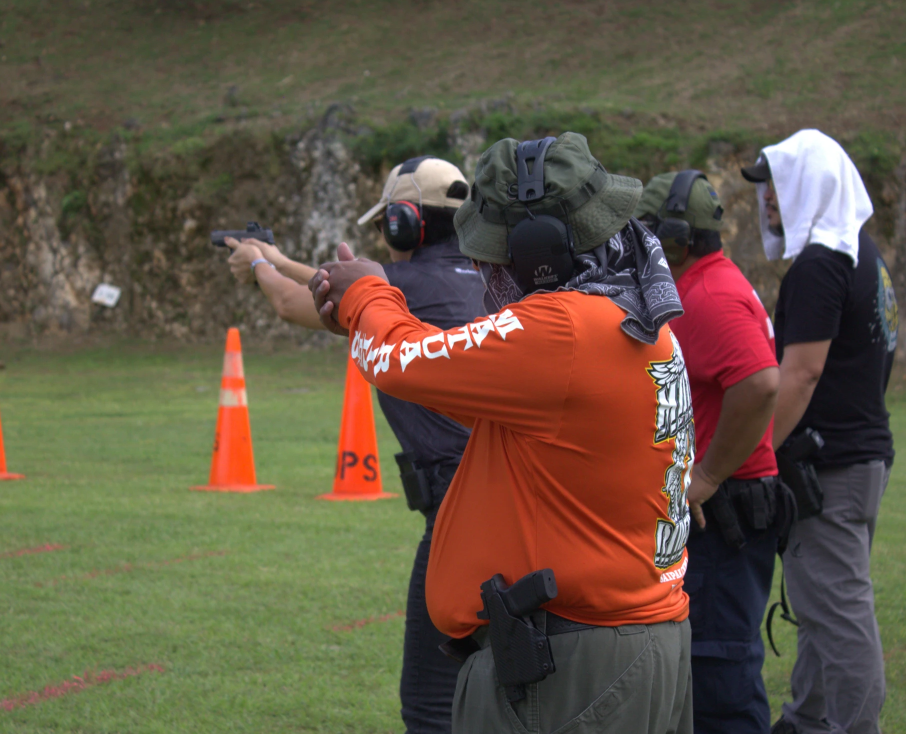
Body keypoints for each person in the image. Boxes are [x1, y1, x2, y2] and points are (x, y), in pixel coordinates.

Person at [310, 133, 694, 734]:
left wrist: (366, 289)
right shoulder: (628, 317)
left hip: (572, 666)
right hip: (629, 645)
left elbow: (397, 360)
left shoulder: (563, 329)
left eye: (494, 249)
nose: (484, 268)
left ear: (539, 252)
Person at [225, 156, 485, 734]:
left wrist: (261, 266)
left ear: (402, 225)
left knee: (428, 704)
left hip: (456, 511)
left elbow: (294, 304)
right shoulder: (490, 278)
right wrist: (277, 257)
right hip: (506, 497)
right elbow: (334, 283)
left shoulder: (400, 286)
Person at [740, 129, 897, 734]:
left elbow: (799, 375)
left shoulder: (820, 265)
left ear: (814, 183)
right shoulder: (865, 255)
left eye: (778, 186)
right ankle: (806, 720)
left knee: (840, 617)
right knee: (821, 607)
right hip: (860, 462)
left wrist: (754, 453)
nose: (769, 200)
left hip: (829, 471)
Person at [635, 171, 784, 733]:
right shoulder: (708, 283)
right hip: (728, 514)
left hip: (726, 517)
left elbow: (762, 383)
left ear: (672, 236)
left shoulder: (710, 296)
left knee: (719, 678)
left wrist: (709, 473)